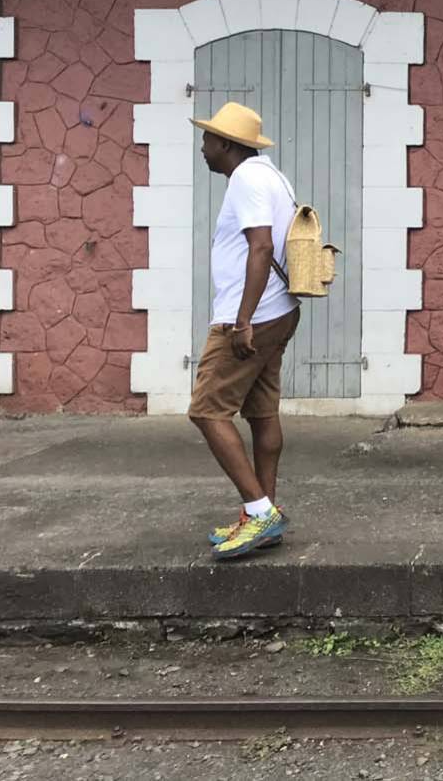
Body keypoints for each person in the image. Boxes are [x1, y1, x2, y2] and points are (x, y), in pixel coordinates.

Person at [187, 102, 300, 560]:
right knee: (261, 411)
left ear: (228, 145)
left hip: (252, 315)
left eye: (209, 139)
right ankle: (264, 512)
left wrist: (242, 319)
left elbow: (261, 246)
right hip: (279, 310)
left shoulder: (247, 179)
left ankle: (260, 513)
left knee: (207, 411)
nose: (203, 146)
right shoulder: (270, 175)